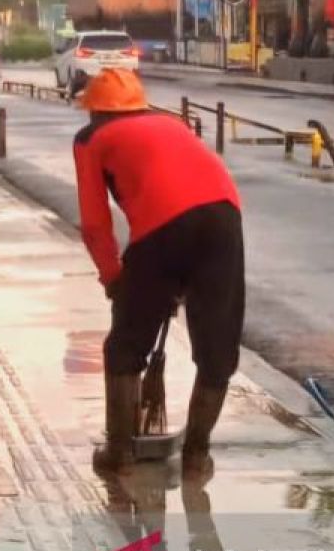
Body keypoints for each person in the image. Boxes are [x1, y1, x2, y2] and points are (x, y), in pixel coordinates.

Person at [72, 69, 243, 478]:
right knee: (217, 348)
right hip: (224, 216)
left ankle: (119, 455)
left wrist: (114, 278)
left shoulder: (91, 139)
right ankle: (197, 458)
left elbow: (96, 224)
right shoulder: (171, 123)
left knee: (126, 346)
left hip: (162, 226)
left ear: (96, 112)